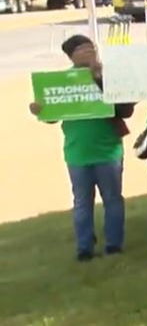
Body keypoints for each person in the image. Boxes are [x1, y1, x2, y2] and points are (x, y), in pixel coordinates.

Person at [29, 35, 133, 261]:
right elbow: (53, 115)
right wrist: (40, 110)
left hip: (108, 150)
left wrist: (99, 79)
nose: (89, 52)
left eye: (91, 48)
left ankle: (114, 244)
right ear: (71, 55)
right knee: (82, 202)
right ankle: (84, 247)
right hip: (77, 152)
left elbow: (125, 110)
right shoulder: (62, 81)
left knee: (113, 199)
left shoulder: (109, 77)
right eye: (83, 49)